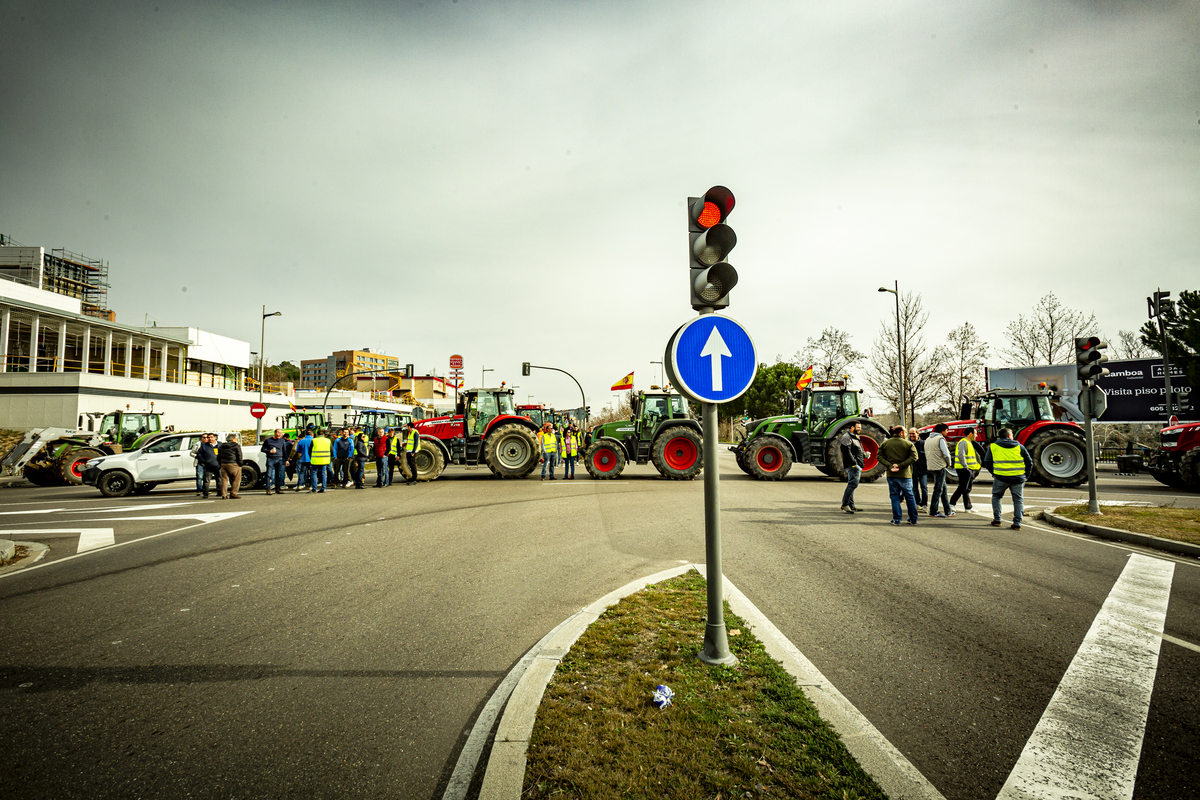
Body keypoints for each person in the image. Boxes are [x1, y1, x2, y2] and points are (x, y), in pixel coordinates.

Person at [982, 427, 1033, 530]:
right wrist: (1026, 476)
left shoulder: (993, 447)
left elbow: (987, 462)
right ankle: (1017, 523)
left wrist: (994, 473)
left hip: (1000, 478)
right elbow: (1029, 462)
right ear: (1009, 436)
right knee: (1018, 500)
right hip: (1018, 478)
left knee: (997, 497)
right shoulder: (1020, 447)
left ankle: (997, 520)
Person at [877, 425, 919, 525]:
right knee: (909, 496)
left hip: (891, 474)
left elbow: (879, 456)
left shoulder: (885, 444)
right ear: (901, 433)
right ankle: (913, 519)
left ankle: (897, 519)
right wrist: (900, 466)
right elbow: (914, 457)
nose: (906, 434)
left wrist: (890, 466)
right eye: (905, 432)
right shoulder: (908, 444)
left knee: (894, 497)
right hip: (905, 475)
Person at [925, 422, 954, 518]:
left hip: (931, 466)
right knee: (938, 489)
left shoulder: (928, 439)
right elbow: (946, 453)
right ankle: (933, 511)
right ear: (942, 431)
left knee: (943, 488)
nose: (947, 432)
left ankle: (948, 510)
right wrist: (949, 463)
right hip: (940, 466)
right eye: (946, 430)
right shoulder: (940, 439)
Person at [949, 429, 980, 511]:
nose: (976, 435)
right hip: (964, 469)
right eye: (975, 433)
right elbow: (961, 455)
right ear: (970, 434)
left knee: (967, 489)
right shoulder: (963, 442)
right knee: (962, 488)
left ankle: (968, 507)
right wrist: (965, 466)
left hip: (969, 468)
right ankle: (952, 503)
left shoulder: (968, 442)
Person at [839, 421, 865, 513]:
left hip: (857, 464)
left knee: (852, 484)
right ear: (852, 427)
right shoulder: (847, 437)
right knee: (853, 484)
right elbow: (846, 452)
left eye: (860, 427)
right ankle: (845, 504)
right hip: (853, 465)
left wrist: (864, 455)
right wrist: (854, 464)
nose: (860, 429)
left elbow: (857, 450)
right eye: (858, 427)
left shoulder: (855, 437)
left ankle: (851, 505)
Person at [191, 433, 220, 498]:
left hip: (218, 465)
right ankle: (204, 492)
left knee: (219, 479)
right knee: (204, 479)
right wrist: (204, 461)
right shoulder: (202, 445)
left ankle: (220, 492)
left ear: (214, 437)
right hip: (206, 465)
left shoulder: (219, 444)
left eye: (210, 437)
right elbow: (198, 454)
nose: (208, 439)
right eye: (207, 437)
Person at [261, 428, 290, 495]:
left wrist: (286, 460)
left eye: (281, 433)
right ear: (275, 433)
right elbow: (262, 449)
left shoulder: (282, 441)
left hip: (280, 459)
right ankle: (268, 488)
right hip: (271, 459)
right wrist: (269, 451)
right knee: (268, 474)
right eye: (278, 433)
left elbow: (284, 451)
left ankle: (278, 488)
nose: (280, 434)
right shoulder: (268, 440)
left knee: (279, 474)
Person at [217, 433, 243, 500]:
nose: (236, 440)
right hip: (233, 464)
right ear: (233, 439)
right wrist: (240, 464)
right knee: (236, 479)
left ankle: (224, 494)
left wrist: (220, 463)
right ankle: (233, 493)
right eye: (235, 438)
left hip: (223, 464)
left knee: (224, 480)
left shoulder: (221, 446)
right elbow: (239, 456)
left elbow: (218, 456)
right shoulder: (236, 446)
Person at [908, 428, 928, 509]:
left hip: (923, 470)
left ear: (918, 433)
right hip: (912, 470)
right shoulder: (907, 444)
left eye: (913, 433)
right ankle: (917, 503)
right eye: (910, 433)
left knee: (924, 487)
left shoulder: (924, 444)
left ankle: (924, 504)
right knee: (914, 488)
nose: (911, 435)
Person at [309, 428, 332, 493]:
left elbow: (310, 450)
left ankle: (314, 488)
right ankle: (323, 487)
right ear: (324, 434)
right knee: (323, 473)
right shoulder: (328, 440)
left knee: (313, 473)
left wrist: (311, 457)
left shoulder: (314, 440)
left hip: (315, 459)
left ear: (316, 434)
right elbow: (332, 450)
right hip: (325, 459)